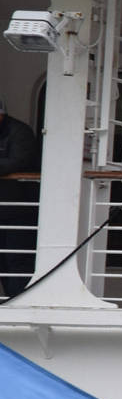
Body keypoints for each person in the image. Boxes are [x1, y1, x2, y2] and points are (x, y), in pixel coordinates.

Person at [0, 96, 41, 300]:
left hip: (19, 209)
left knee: (17, 259)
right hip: (4, 208)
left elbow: (19, 161)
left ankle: (18, 302)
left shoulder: (19, 132)